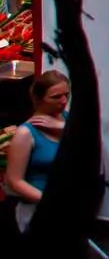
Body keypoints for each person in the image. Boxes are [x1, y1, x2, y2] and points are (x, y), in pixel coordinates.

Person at [6, 69, 69, 215]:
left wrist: (63, 128)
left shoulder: (67, 119)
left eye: (66, 95)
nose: (64, 101)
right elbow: (14, 181)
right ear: (39, 99)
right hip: (38, 210)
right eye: (56, 97)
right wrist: (50, 202)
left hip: (68, 207)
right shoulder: (25, 134)